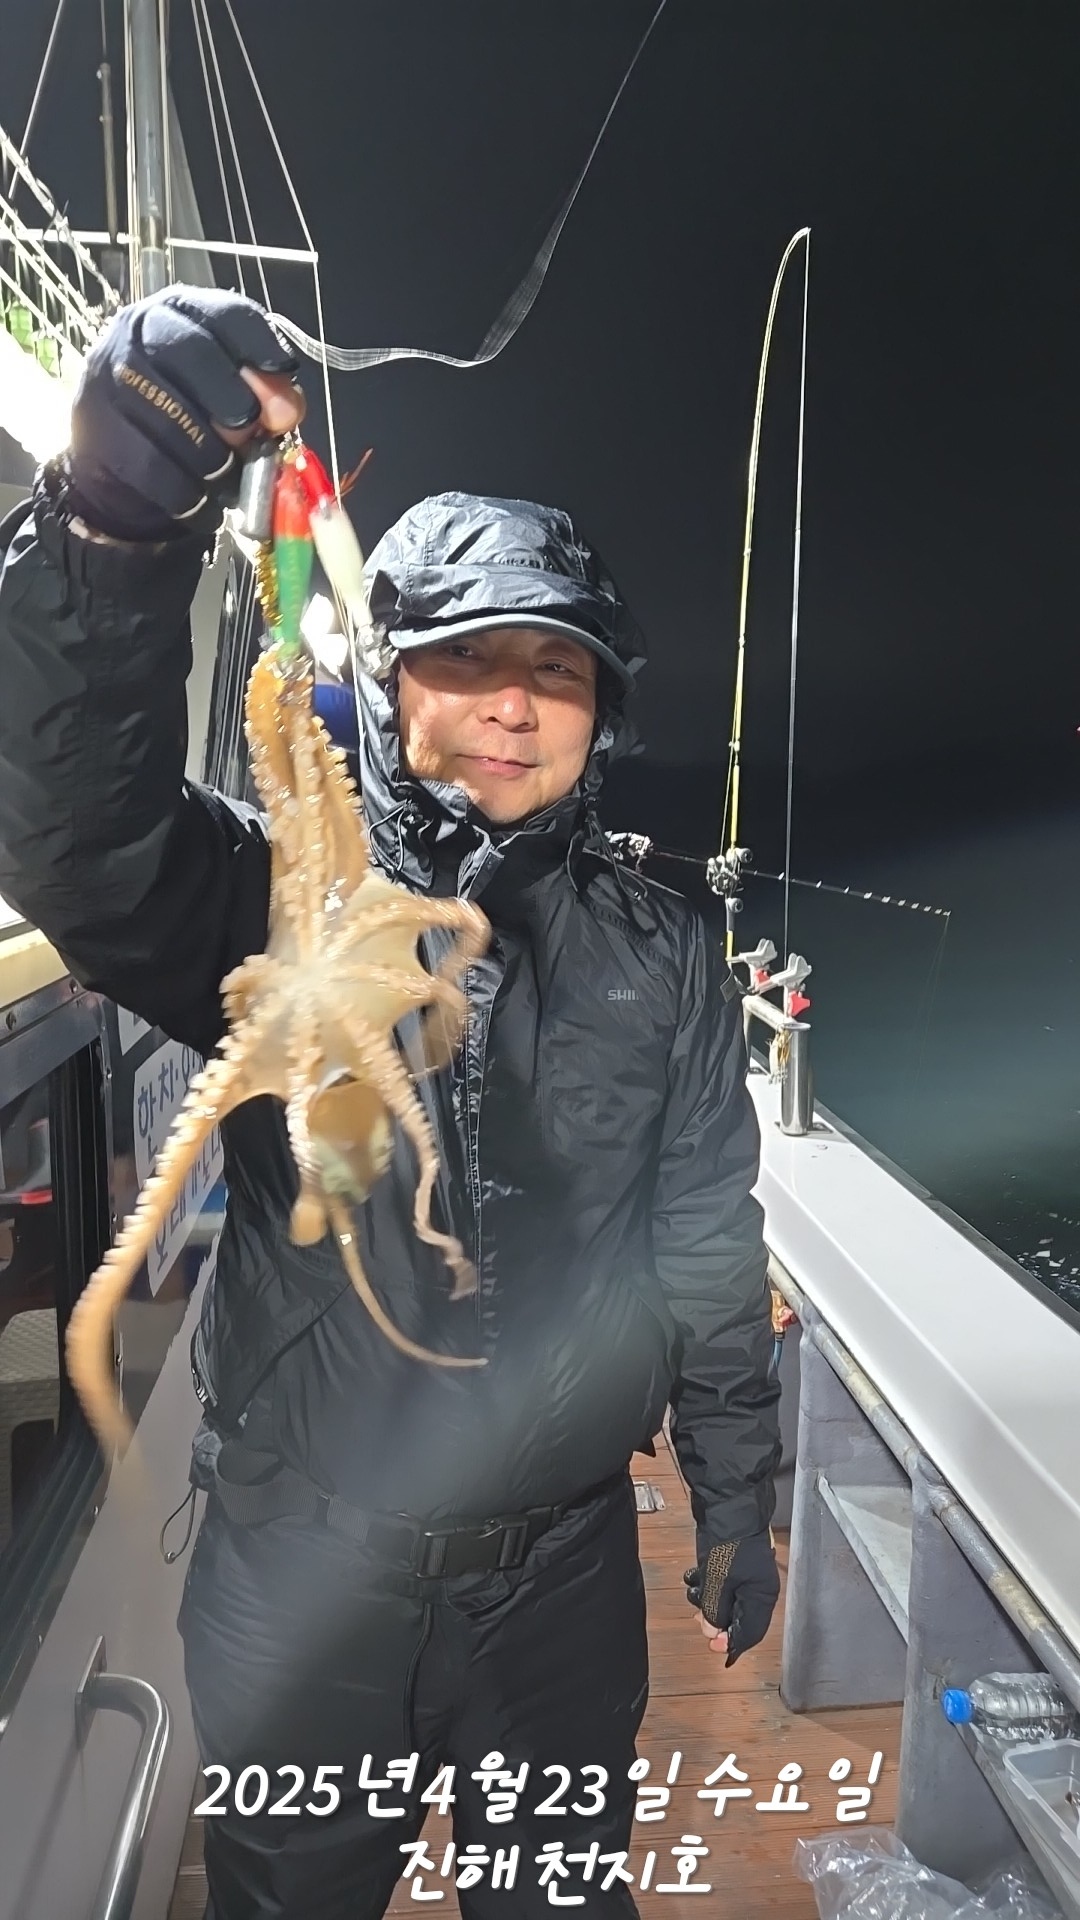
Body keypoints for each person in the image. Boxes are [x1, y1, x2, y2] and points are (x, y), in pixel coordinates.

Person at [0, 287, 781, 1919]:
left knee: (556, 1897)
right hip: (302, 1565)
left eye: (558, 669)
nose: (515, 703)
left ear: (600, 711)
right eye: (470, 658)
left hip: (563, 1580)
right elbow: (82, 831)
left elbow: (706, 1238)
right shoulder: (267, 892)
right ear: (393, 678)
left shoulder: (666, 950)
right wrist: (114, 533)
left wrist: (736, 1493)